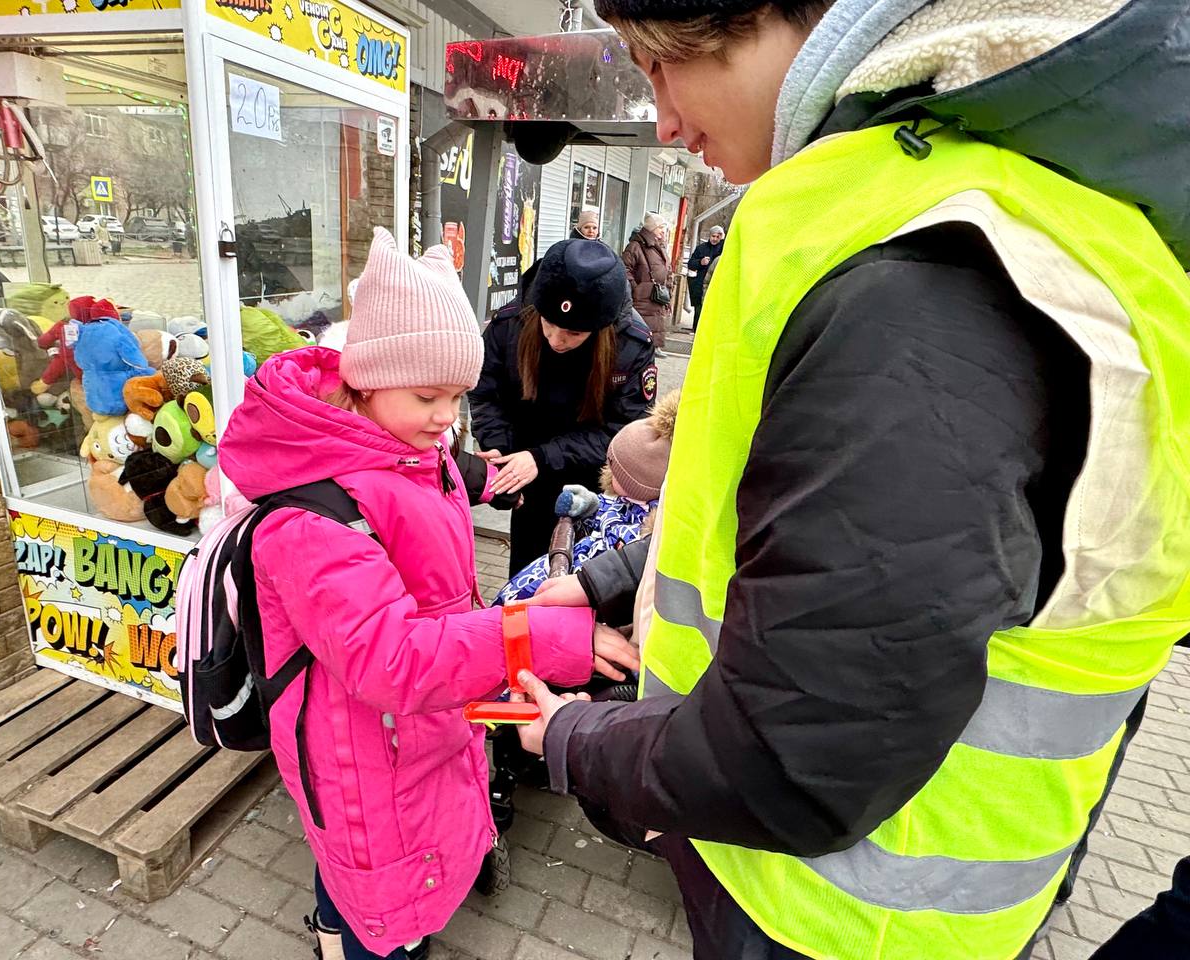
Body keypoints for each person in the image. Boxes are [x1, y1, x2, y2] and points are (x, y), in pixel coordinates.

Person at [513, 3, 1190, 960]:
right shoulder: (939, 218)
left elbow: (800, 754)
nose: (661, 119)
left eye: (663, 64)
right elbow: (780, 510)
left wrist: (579, 742)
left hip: (837, 918)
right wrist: (617, 577)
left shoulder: (921, 273)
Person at [216, 228, 637, 960]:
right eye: (426, 396)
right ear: (367, 381)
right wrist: (543, 636)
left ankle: (332, 927)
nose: (447, 417)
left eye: (457, 396)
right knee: (384, 915)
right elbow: (394, 660)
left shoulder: (404, 447)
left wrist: (479, 472)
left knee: (356, 877)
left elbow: (434, 474)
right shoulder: (313, 518)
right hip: (364, 747)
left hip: (410, 734)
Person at [469, 238, 657, 577]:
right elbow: (485, 393)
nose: (556, 340)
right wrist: (501, 451)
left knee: (579, 583)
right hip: (528, 474)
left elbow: (623, 433)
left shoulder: (630, 345)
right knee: (526, 576)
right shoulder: (511, 323)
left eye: (573, 333)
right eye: (548, 324)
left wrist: (541, 457)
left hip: (593, 484)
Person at [496, 388, 678, 604]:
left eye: (616, 470)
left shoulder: (643, 527)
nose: (609, 471)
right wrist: (588, 506)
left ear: (636, 484)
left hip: (588, 578)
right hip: (576, 563)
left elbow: (619, 547)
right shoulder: (623, 501)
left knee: (534, 596)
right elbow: (606, 512)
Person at [622, 212, 673, 357]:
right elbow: (625, 268)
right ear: (652, 229)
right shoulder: (635, 246)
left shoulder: (659, 246)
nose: (663, 231)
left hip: (657, 293)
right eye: (660, 228)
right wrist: (635, 287)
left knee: (656, 319)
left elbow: (667, 268)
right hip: (643, 295)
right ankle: (644, 348)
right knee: (643, 322)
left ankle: (654, 347)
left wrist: (669, 286)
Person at [685, 225, 724, 331]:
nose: (715, 239)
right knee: (699, 310)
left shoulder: (725, 249)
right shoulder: (701, 248)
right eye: (713, 236)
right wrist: (700, 262)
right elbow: (691, 264)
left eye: (717, 237)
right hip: (700, 284)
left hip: (717, 285)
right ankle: (697, 331)